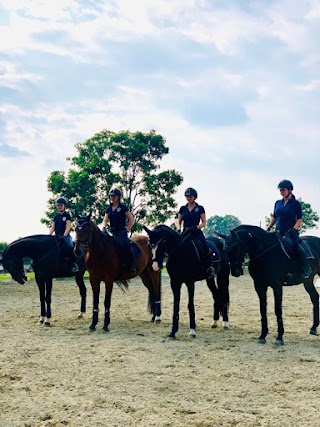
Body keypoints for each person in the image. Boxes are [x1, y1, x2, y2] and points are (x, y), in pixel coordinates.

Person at [267, 179, 312, 278]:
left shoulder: (295, 204)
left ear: (290, 190)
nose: (281, 192)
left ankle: (306, 268)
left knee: (295, 246)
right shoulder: (277, 203)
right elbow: (274, 217)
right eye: (280, 190)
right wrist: (269, 227)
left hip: (290, 232)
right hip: (278, 231)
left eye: (283, 190)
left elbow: (299, 219)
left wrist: (294, 229)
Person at [177, 187, 216, 279]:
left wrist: (196, 227)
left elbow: (204, 223)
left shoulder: (200, 208)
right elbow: (179, 221)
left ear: (194, 197)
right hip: (185, 232)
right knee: (177, 247)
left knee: (205, 247)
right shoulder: (182, 208)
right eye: (187, 196)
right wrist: (179, 229)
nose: (188, 198)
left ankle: (209, 268)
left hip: (196, 232)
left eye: (190, 196)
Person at [101, 188, 136, 274]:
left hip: (121, 231)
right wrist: (104, 228)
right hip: (112, 231)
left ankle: (131, 265)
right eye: (111, 196)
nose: (112, 197)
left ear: (118, 197)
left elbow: (131, 219)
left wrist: (127, 229)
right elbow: (105, 220)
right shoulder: (108, 208)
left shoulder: (123, 207)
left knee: (126, 245)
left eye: (114, 196)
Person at [48, 197, 79, 273]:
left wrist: (64, 236)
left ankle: (73, 264)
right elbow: (52, 227)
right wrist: (48, 236)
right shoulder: (56, 216)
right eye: (58, 205)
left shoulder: (67, 215)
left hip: (65, 236)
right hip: (57, 236)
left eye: (61, 205)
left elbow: (68, 227)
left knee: (70, 247)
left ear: (64, 206)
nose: (59, 207)